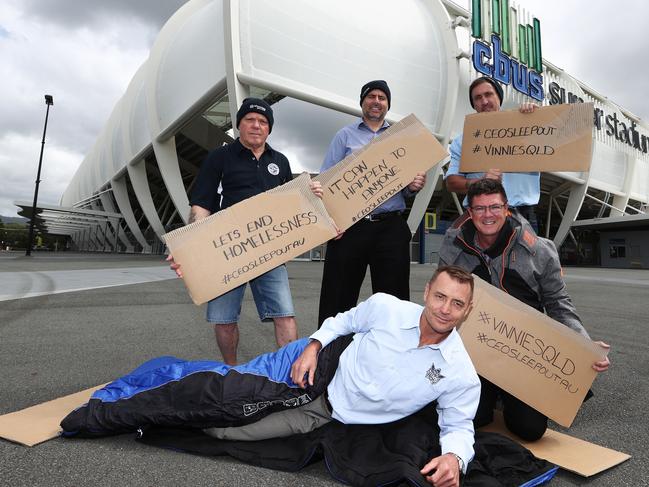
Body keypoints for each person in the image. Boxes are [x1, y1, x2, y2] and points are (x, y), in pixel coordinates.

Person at [204, 265, 480, 487]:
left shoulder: (460, 372)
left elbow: (458, 424)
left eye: (457, 303)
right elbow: (342, 322)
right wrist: (313, 346)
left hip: (323, 414)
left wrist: (454, 458)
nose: (445, 309)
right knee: (223, 395)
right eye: (440, 297)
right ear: (427, 291)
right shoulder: (386, 308)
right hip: (315, 376)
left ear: (467, 310)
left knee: (228, 432)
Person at [438, 178, 610, 440]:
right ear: (469, 213)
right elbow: (444, 299)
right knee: (476, 418)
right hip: (475, 350)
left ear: (507, 208)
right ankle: (490, 392)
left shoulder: (539, 249)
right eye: (480, 209)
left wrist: (584, 346)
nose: (488, 215)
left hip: (521, 351)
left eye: (494, 207)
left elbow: (558, 302)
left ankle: (508, 394)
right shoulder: (454, 247)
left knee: (529, 430)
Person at [167, 98, 322, 365]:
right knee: (224, 320)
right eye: (250, 119)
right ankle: (231, 370)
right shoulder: (219, 157)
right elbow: (202, 204)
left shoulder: (280, 161)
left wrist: (312, 194)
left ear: (269, 129)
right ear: (239, 124)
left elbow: (293, 205)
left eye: (263, 122)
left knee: (285, 314)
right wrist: (188, 249)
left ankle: (288, 373)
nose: (256, 126)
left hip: (270, 252)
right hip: (229, 251)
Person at [317, 79, 426, 326]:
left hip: (390, 226)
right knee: (337, 297)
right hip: (350, 228)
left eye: (382, 98)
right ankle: (328, 355)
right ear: (362, 101)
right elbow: (325, 184)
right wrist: (331, 223)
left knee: (394, 299)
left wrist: (413, 187)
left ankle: (393, 354)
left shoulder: (401, 138)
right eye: (372, 96)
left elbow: (408, 189)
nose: (376, 101)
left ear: (387, 105)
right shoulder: (344, 136)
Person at [445, 76, 540, 229]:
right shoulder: (463, 141)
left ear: (499, 97)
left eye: (489, 94)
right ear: (474, 105)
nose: (484, 102)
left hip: (521, 214)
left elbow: (555, 142)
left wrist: (537, 118)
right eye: (478, 98)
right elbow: (451, 182)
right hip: (479, 214)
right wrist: (480, 183)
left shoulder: (526, 127)